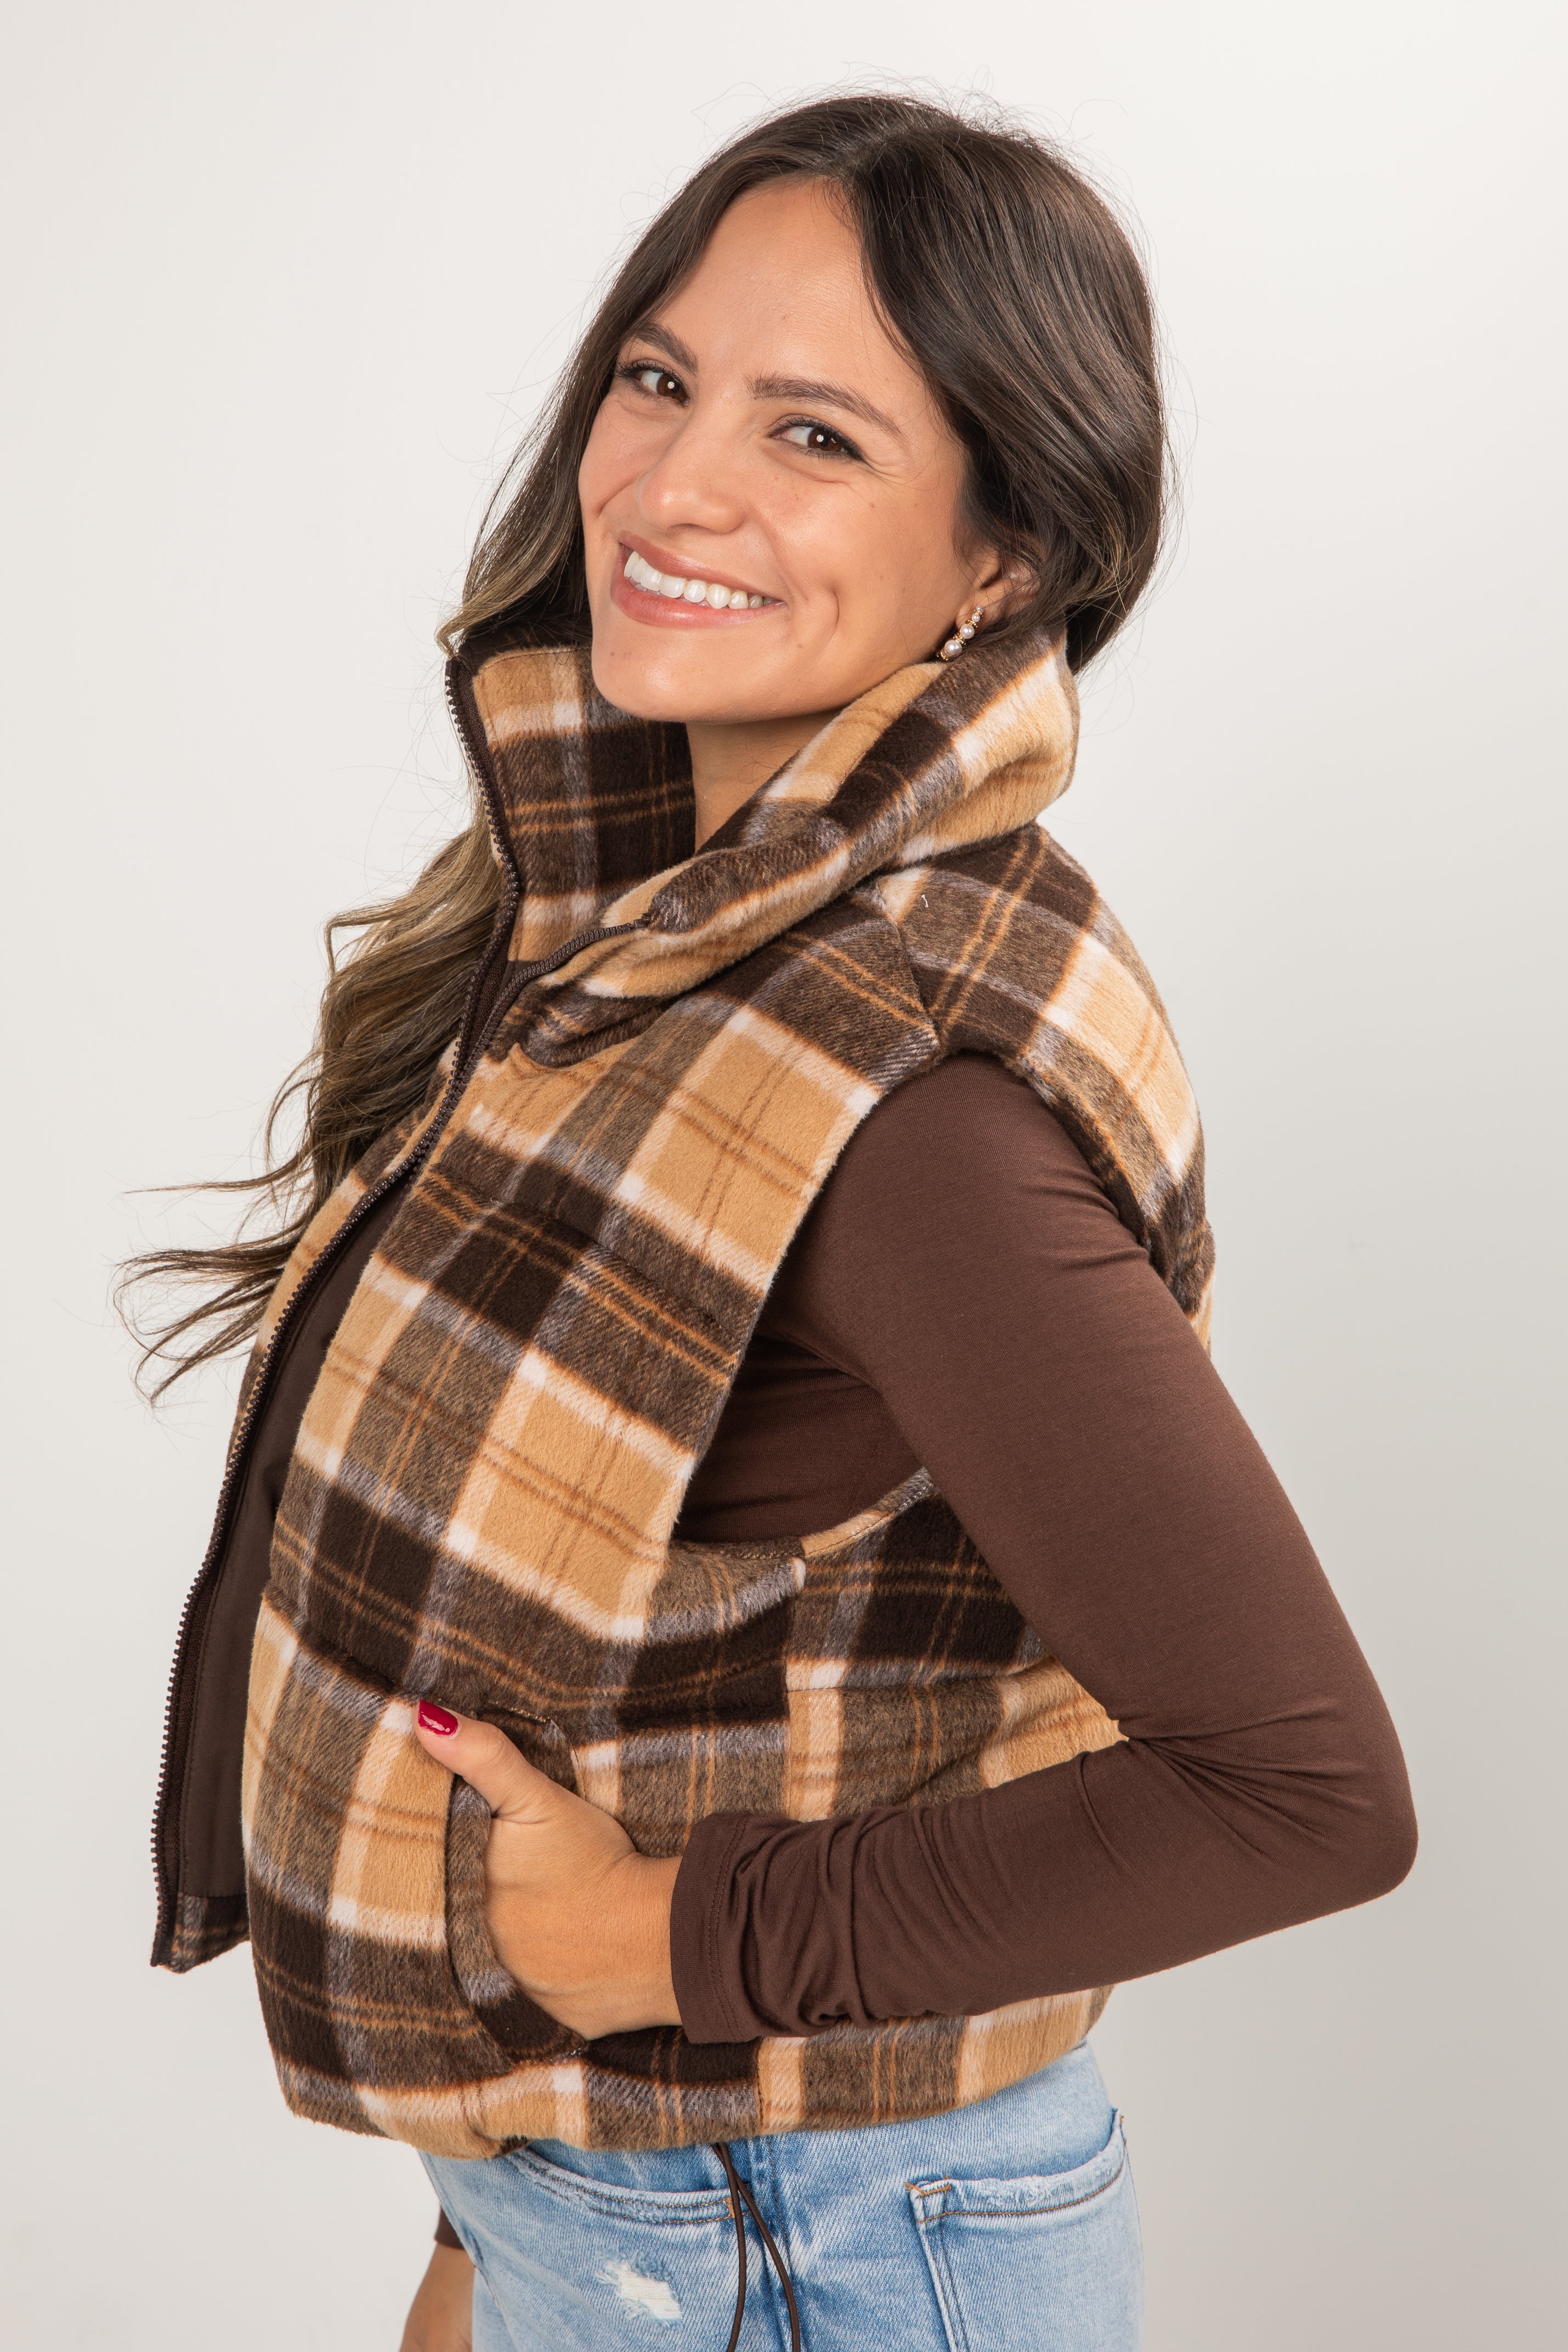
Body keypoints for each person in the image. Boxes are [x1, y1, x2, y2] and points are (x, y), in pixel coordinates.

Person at [130, 95, 1417, 2352]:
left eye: (814, 433)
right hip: (637, 2208)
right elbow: (602, 1625)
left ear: (1006, 555)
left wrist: (664, 1944)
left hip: (791, 2231)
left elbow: (1302, 1790)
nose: (674, 486)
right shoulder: (654, 940)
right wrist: (476, 2223)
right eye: (658, 378)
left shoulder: (902, 1090)